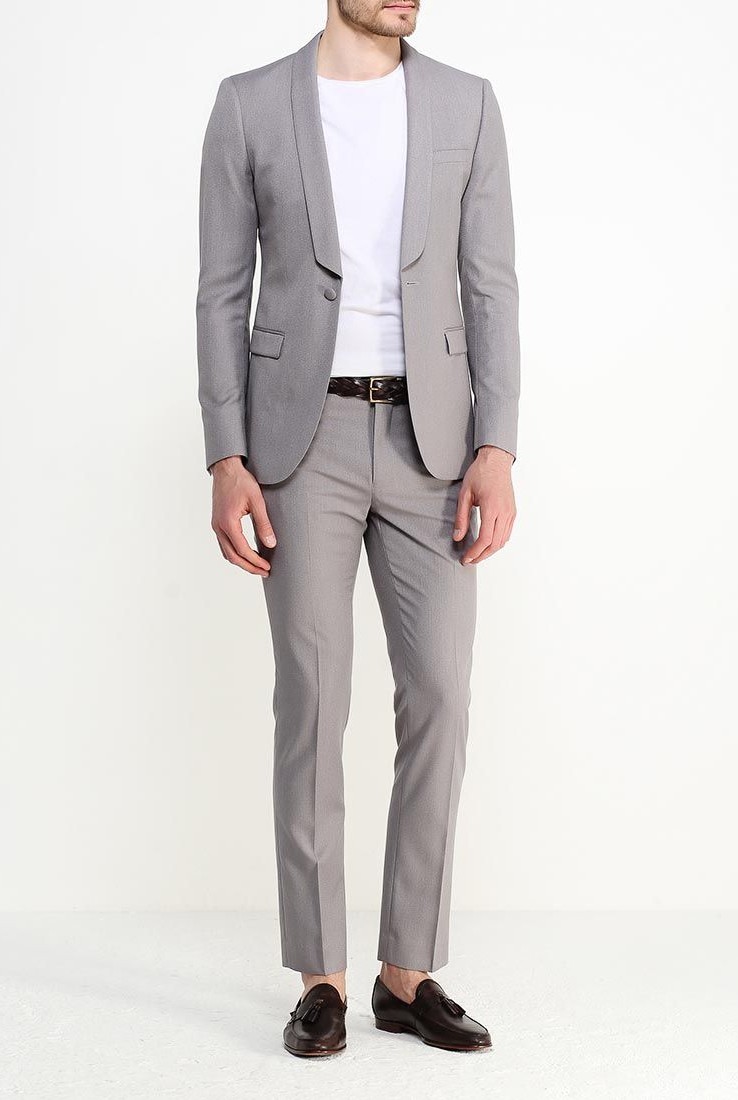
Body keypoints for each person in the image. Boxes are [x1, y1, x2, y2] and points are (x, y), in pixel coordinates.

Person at [196, 0, 519, 1057]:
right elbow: (220, 294)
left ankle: (405, 971)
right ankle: (320, 978)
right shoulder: (250, 106)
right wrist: (227, 455)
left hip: (435, 444)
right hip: (302, 442)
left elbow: (491, 288)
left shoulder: (467, 105)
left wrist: (496, 444)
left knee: (441, 696)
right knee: (312, 700)